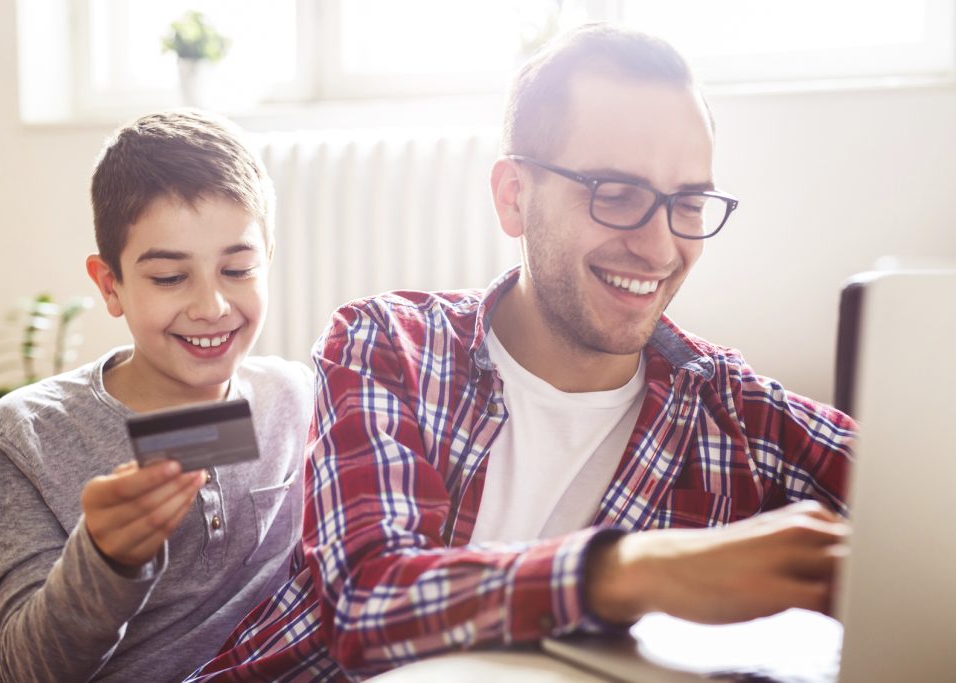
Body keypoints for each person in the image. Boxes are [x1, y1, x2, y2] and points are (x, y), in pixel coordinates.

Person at [188, 24, 854, 682]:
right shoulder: (386, 343)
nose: (659, 248)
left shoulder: (736, 417)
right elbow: (370, 599)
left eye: (687, 202)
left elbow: (916, 502)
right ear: (514, 196)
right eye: (616, 194)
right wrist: (638, 571)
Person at [0, 110, 313, 682]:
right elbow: (33, 667)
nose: (211, 305)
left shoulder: (294, 398)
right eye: (169, 278)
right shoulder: (28, 431)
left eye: (237, 268)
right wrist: (106, 557)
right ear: (110, 286)